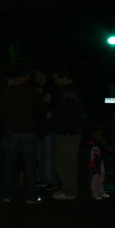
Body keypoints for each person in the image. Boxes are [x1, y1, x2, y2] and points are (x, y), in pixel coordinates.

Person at [0, 63, 47, 204]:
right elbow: (43, 109)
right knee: (29, 165)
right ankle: (31, 196)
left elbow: (1, 112)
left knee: (10, 163)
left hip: (12, 130)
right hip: (29, 130)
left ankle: (7, 194)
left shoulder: (8, 91)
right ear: (27, 76)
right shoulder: (33, 91)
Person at [51, 66, 84, 201]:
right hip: (68, 132)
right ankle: (67, 188)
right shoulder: (70, 90)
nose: (56, 82)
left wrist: (66, 129)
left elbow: (71, 114)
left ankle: (69, 191)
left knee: (66, 162)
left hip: (68, 134)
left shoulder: (69, 92)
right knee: (64, 162)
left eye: (57, 79)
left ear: (64, 78)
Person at [86, 127, 109, 200]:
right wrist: (92, 166)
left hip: (101, 166)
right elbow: (90, 157)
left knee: (101, 179)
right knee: (95, 180)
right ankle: (94, 193)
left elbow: (105, 155)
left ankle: (101, 191)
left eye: (101, 134)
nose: (101, 136)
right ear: (93, 136)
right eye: (98, 134)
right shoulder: (92, 146)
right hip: (95, 166)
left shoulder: (102, 144)